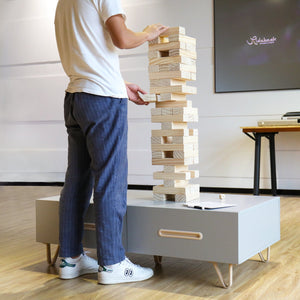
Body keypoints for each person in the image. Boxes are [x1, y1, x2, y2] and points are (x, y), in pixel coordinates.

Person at [54, 0, 168, 285]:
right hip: (102, 99)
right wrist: (148, 32)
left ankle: (70, 259)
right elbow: (123, 38)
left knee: (77, 180)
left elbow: (87, 50)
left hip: (76, 96)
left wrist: (120, 84)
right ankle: (113, 263)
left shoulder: (63, 2)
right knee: (111, 178)